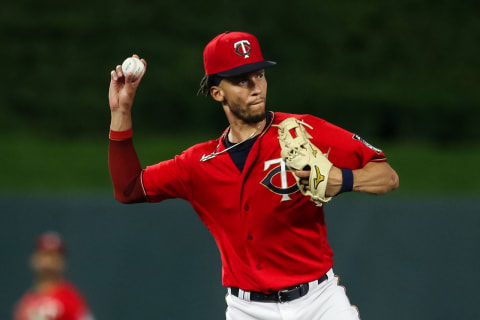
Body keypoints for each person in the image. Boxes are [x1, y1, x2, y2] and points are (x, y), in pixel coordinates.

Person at [108, 31, 399, 320]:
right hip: (248, 310)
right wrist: (121, 113)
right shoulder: (198, 164)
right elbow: (129, 189)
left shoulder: (303, 131)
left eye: (259, 75)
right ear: (217, 92)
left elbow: (387, 176)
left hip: (320, 302)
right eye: (241, 80)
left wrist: (344, 180)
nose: (255, 86)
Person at [13, 232, 94, 320]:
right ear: (34, 259)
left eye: (54, 256)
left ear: (62, 262)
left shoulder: (72, 300)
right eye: (44, 255)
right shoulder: (26, 302)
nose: (48, 261)